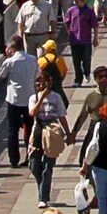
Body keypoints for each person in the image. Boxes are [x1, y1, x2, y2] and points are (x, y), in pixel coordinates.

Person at [0, 36, 40, 167]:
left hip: (14, 99)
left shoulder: (10, 62)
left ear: (12, 48)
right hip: (29, 98)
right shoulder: (32, 59)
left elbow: (1, 75)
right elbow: (37, 74)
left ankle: (13, 159)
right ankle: (30, 156)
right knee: (30, 128)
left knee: (12, 130)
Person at [29, 73, 70, 206]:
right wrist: (41, 98)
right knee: (34, 165)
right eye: (38, 84)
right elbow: (32, 113)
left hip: (52, 131)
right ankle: (43, 187)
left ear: (49, 83)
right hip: (38, 131)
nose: (41, 87)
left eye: (44, 84)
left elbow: (62, 116)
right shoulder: (33, 97)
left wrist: (68, 133)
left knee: (48, 166)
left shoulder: (56, 97)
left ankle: (43, 198)